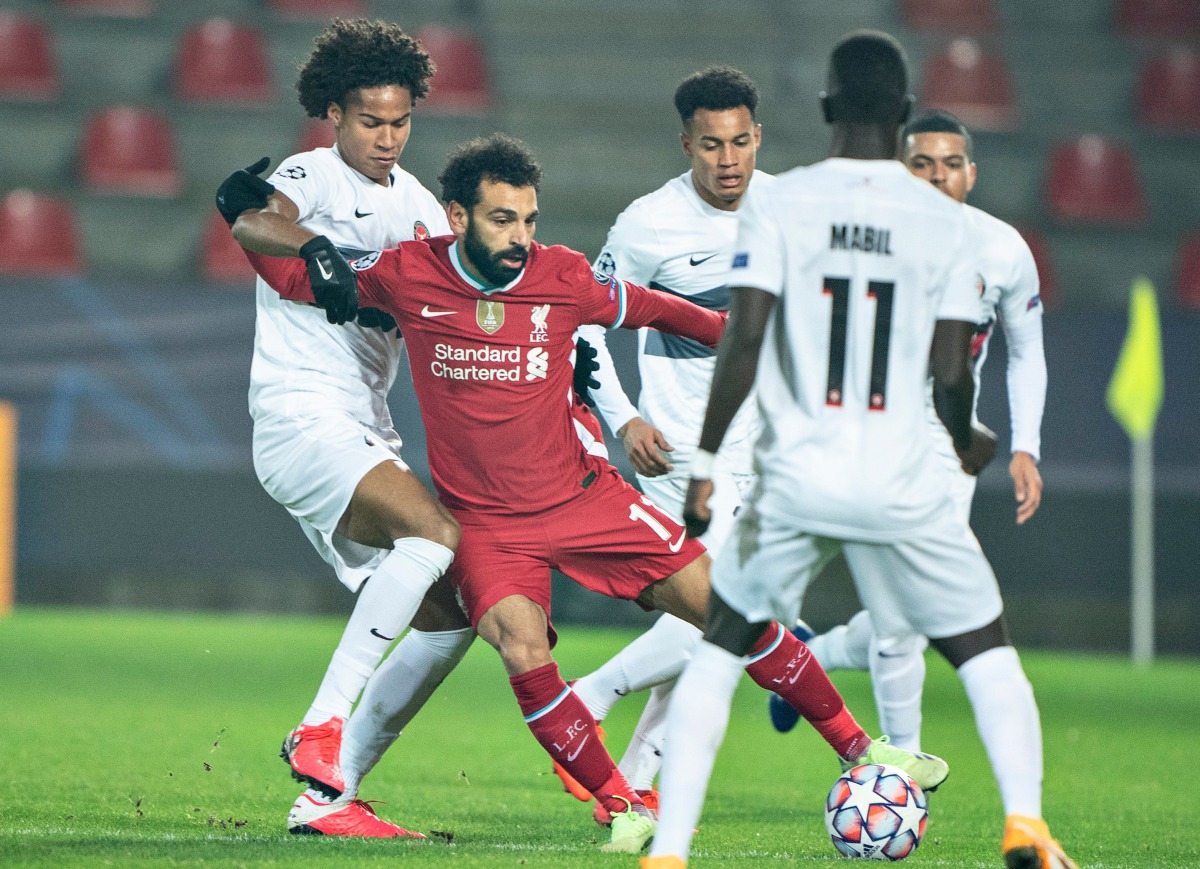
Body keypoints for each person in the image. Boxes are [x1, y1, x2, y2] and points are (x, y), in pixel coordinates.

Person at [242, 132, 950, 855]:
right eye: (502, 220)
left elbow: (655, 309)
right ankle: (621, 805)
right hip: (489, 526)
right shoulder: (408, 274)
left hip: (586, 501)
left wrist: (742, 336)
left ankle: (863, 750)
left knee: (730, 610)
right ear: (456, 217)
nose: (521, 237)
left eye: (530, 219)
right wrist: (244, 220)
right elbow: (301, 276)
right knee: (522, 649)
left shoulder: (563, 275)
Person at [646, 31, 1077, 869]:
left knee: (723, 645)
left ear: (825, 110)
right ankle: (1025, 824)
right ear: (906, 115)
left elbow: (744, 341)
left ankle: (668, 853)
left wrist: (703, 464)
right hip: (903, 471)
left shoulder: (782, 202)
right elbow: (953, 372)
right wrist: (969, 437)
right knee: (987, 649)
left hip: (798, 471)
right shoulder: (944, 223)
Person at [220, 18, 475, 838]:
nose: (387, 138)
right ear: (335, 114)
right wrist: (316, 246)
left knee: (450, 614)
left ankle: (328, 798)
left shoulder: (421, 207)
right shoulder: (314, 173)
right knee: (433, 529)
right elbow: (257, 221)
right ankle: (321, 724)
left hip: (361, 430)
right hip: (301, 416)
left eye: (401, 122)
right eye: (372, 121)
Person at [768, 110, 1049, 751]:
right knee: (905, 620)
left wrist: (1026, 445)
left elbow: (1028, 349)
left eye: (951, 164)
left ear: (971, 174)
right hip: (860, 430)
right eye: (922, 163)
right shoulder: (864, 233)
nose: (937, 176)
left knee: (912, 621)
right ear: (901, 169)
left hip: (946, 443)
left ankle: (821, 670)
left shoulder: (1002, 247)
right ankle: (901, 760)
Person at [554, 66, 776, 819]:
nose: (728, 159)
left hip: (764, 450)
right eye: (711, 144)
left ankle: (635, 781)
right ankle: (592, 693)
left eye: (740, 141)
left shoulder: (787, 212)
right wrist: (624, 419)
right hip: (680, 454)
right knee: (730, 615)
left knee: (705, 625)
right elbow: (583, 321)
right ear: (686, 144)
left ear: (757, 137)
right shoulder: (648, 223)